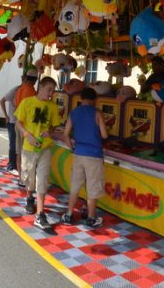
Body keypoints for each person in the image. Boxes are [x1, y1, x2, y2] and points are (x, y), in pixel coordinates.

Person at [14, 76, 61, 230]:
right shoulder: (27, 102)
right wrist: (28, 136)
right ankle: (29, 198)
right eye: (49, 90)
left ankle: (40, 214)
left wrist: (50, 132)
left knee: (42, 179)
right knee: (29, 177)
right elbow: (18, 122)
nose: (50, 94)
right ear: (40, 87)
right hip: (29, 147)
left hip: (45, 148)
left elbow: (54, 126)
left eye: (53, 91)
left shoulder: (53, 106)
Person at [60, 86, 108, 228]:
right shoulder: (97, 112)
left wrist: (72, 148)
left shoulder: (74, 112)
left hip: (78, 153)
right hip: (94, 155)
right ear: (95, 100)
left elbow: (65, 134)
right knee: (92, 187)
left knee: (75, 186)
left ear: (81, 99)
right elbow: (105, 135)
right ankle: (91, 218)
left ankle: (68, 215)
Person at [11, 71, 38, 181]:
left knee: (18, 151)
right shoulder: (32, 91)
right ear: (35, 80)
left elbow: (14, 103)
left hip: (18, 122)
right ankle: (27, 178)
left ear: (26, 78)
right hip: (27, 126)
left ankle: (20, 177)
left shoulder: (19, 90)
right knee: (26, 152)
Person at [0, 82, 20, 173]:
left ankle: (17, 165)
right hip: (12, 122)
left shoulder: (31, 90)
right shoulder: (15, 90)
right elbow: (2, 100)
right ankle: (11, 165)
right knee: (13, 144)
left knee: (19, 145)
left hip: (22, 123)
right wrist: (6, 116)